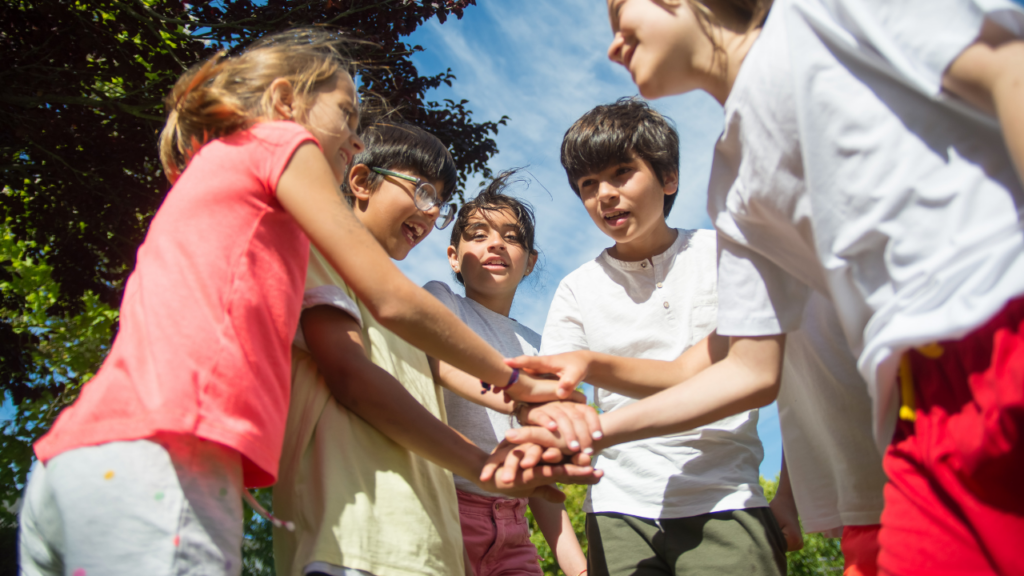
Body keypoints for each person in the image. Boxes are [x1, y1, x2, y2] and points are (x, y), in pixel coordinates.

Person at [18, 29, 596, 576]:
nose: (355, 140)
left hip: (98, 455)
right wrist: (516, 383)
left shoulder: (267, 219)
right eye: (346, 115)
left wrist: (518, 405)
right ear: (283, 100)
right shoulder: (276, 142)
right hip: (164, 457)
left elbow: (421, 347)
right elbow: (389, 301)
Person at [507, 1, 1024, 573]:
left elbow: (1008, 68)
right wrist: (592, 429)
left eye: (621, 12)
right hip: (916, 402)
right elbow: (747, 369)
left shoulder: (823, 14)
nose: (613, 44)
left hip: (1002, 330)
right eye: (588, 183)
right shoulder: (735, 181)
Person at [531, 99, 787, 576]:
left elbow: (765, 377)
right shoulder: (576, 288)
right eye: (588, 185)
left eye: (621, 173)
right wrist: (546, 418)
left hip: (726, 496)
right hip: (618, 508)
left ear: (669, 178)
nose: (605, 195)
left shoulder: (725, 256)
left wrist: (788, 493)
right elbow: (551, 394)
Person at [424, 171, 588, 576]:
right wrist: (518, 395)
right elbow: (441, 364)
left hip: (514, 526)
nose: (495, 243)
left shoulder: (541, 348)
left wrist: (579, 568)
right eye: (478, 234)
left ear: (530, 262)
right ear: (453, 256)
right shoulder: (443, 302)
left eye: (511, 237)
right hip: (443, 509)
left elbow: (540, 480)